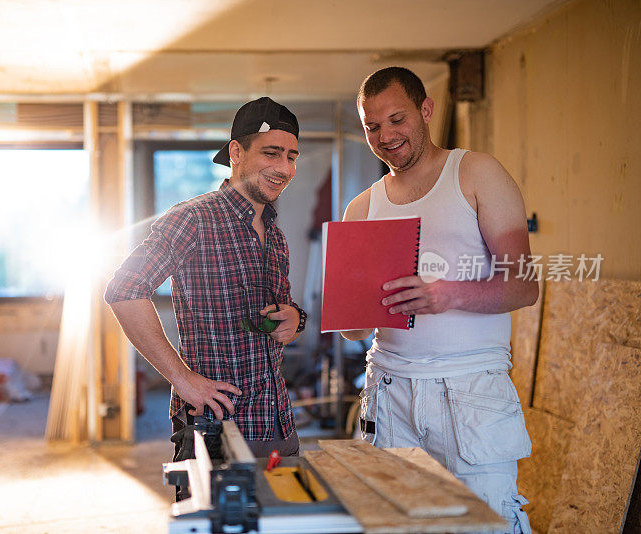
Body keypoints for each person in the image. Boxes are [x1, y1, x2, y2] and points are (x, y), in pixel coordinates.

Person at [341, 67, 538, 533]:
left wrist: (446, 294)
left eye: (396, 119)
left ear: (426, 111)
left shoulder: (475, 172)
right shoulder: (362, 207)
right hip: (390, 391)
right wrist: (344, 306)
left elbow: (524, 285)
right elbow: (351, 327)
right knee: (396, 524)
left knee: (485, 523)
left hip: (469, 391)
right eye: (372, 126)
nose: (385, 136)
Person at [104, 97, 308, 464]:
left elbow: (284, 315)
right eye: (271, 153)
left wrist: (296, 319)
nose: (284, 168)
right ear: (236, 152)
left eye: (291, 157)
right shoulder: (193, 219)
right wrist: (182, 380)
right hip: (217, 425)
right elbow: (124, 290)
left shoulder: (275, 234)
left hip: (278, 423)